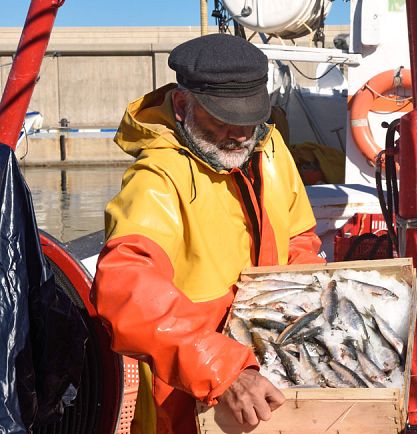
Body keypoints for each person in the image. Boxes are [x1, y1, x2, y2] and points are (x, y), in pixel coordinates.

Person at [91, 34, 325, 434]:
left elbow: (299, 238)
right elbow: (124, 290)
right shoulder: (155, 182)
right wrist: (223, 369)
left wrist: (304, 311)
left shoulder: (268, 147)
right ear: (183, 106)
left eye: (249, 119)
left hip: (268, 366)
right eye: (223, 119)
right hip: (191, 394)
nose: (239, 135)